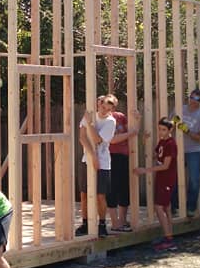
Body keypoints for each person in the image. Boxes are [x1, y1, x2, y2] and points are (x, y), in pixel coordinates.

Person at [76, 94, 117, 237]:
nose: (104, 110)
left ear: (112, 109)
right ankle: (85, 224)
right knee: (84, 194)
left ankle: (102, 224)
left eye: (108, 109)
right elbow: (82, 137)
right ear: (99, 104)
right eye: (103, 106)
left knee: (100, 195)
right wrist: (92, 155)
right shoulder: (90, 115)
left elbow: (97, 139)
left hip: (103, 163)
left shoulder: (110, 122)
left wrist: (90, 124)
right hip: (87, 159)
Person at [134, 117, 179, 251]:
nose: (161, 132)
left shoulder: (171, 144)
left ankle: (168, 239)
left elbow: (165, 166)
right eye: (159, 129)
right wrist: (144, 141)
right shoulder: (162, 142)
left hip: (167, 180)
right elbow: (154, 156)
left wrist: (145, 170)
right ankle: (169, 237)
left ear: (170, 130)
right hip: (161, 179)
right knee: (166, 207)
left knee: (159, 207)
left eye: (164, 130)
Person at [176, 88, 200, 217]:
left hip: (193, 151)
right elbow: (170, 123)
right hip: (178, 149)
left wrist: (187, 131)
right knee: (173, 178)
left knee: (194, 180)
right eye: (191, 97)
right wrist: (175, 123)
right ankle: (174, 206)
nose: (193, 101)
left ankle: (190, 208)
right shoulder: (180, 109)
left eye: (196, 99)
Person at [108, 101, 142, 233]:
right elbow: (112, 139)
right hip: (110, 156)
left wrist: (138, 120)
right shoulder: (103, 119)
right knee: (112, 189)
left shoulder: (120, 116)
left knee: (124, 188)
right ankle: (115, 222)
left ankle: (122, 220)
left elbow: (134, 131)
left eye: (112, 104)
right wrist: (130, 134)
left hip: (124, 156)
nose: (110, 107)